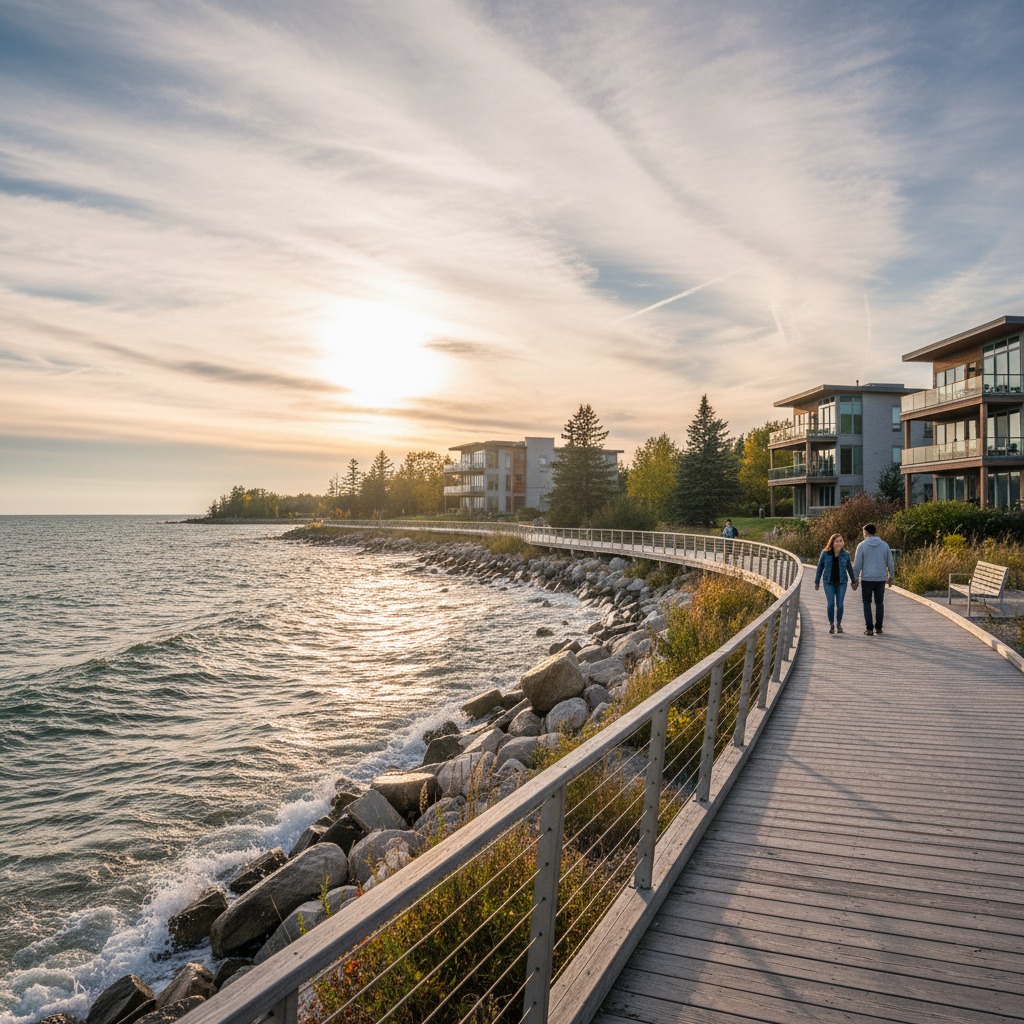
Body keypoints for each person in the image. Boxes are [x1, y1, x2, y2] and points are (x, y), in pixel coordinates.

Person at [852, 523, 895, 636]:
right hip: (881, 578)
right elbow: (890, 562)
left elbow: (857, 565)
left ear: (865, 533)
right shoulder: (885, 545)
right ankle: (879, 628)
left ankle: (869, 629)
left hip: (867, 579)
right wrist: (891, 577)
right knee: (879, 603)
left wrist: (855, 580)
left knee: (867, 603)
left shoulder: (861, 546)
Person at [814, 532, 856, 634]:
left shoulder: (846, 555)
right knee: (831, 604)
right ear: (832, 543)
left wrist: (853, 581)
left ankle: (839, 624)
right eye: (837, 541)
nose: (839, 543)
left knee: (840, 604)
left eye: (841, 541)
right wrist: (817, 581)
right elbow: (820, 567)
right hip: (828, 582)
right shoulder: (825, 553)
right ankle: (831, 624)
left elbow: (850, 569)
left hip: (842, 583)